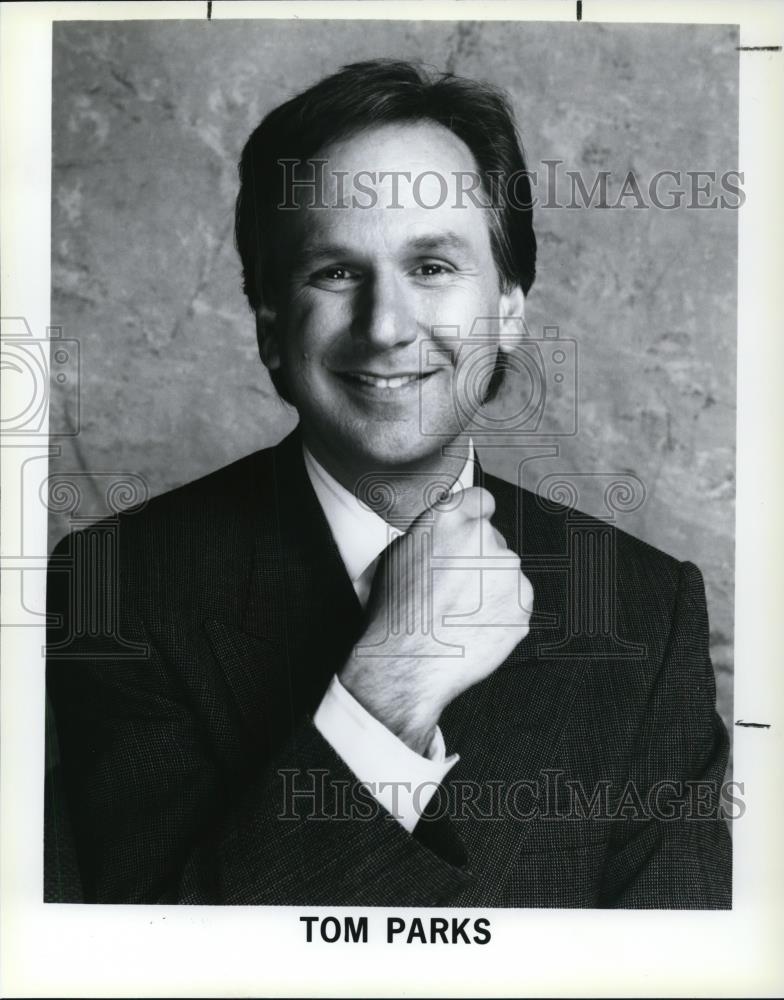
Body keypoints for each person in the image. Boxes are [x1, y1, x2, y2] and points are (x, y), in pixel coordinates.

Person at [45, 60, 732, 906]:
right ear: (268, 325)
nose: (386, 328)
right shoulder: (115, 587)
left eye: (434, 268)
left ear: (510, 304)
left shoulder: (646, 610)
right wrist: (388, 690)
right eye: (335, 272)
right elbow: (144, 976)